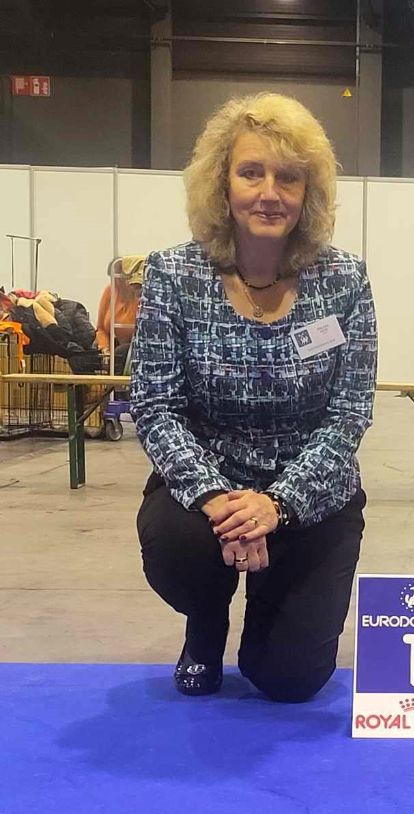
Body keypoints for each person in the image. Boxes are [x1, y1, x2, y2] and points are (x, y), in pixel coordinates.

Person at [130, 92, 377, 702]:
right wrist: (220, 502)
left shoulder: (345, 279)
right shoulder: (172, 274)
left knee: (289, 682)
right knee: (180, 553)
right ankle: (206, 619)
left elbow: (349, 413)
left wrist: (278, 506)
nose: (270, 193)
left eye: (288, 177)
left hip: (310, 495)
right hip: (205, 497)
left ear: (308, 192)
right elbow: (155, 406)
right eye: (251, 173)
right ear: (222, 184)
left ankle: (273, 602)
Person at [96, 255, 146, 373]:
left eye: (120, 277)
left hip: (137, 346)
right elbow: (101, 329)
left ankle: (117, 384)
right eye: (114, 278)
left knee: (120, 353)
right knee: (84, 357)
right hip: (116, 344)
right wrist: (105, 349)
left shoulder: (141, 293)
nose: (117, 281)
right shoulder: (110, 291)